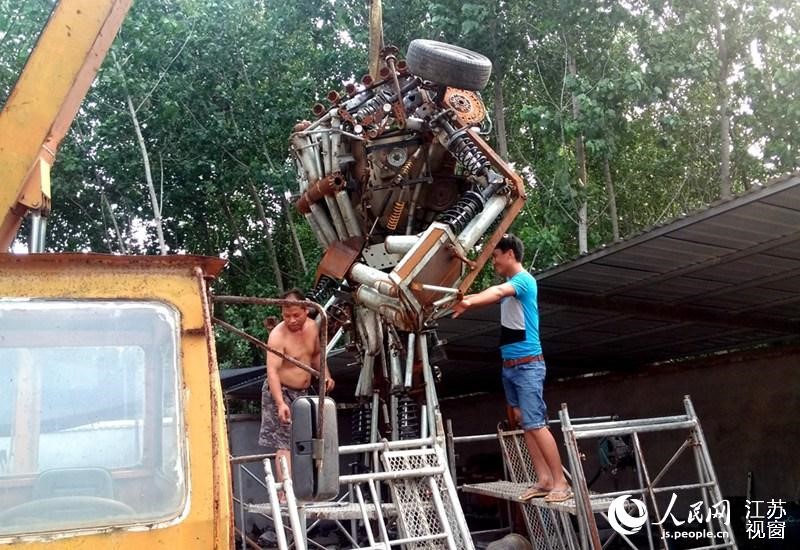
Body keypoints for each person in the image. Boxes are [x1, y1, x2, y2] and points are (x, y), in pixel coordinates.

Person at [452, 234, 571, 502]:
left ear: (509, 254)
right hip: (511, 366)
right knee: (525, 423)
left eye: (495, 256)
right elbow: (490, 293)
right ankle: (544, 479)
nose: (493, 261)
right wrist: (463, 299)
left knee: (536, 423)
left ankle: (560, 482)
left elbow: (496, 292)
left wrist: (467, 302)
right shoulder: (511, 286)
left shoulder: (523, 281)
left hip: (528, 365)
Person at [258, 288, 335, 496]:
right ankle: (285, 493)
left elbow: (317, 354)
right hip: (280, 391)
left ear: (306, 310)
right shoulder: (277, 336)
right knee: (284, 443)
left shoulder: (312, 327)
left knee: (306, 440)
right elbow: (272, 372)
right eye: (286, 316)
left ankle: (306, 489)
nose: (291, 320)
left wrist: (325, 375)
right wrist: (280, 403)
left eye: (296, 315)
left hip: (304, 394)